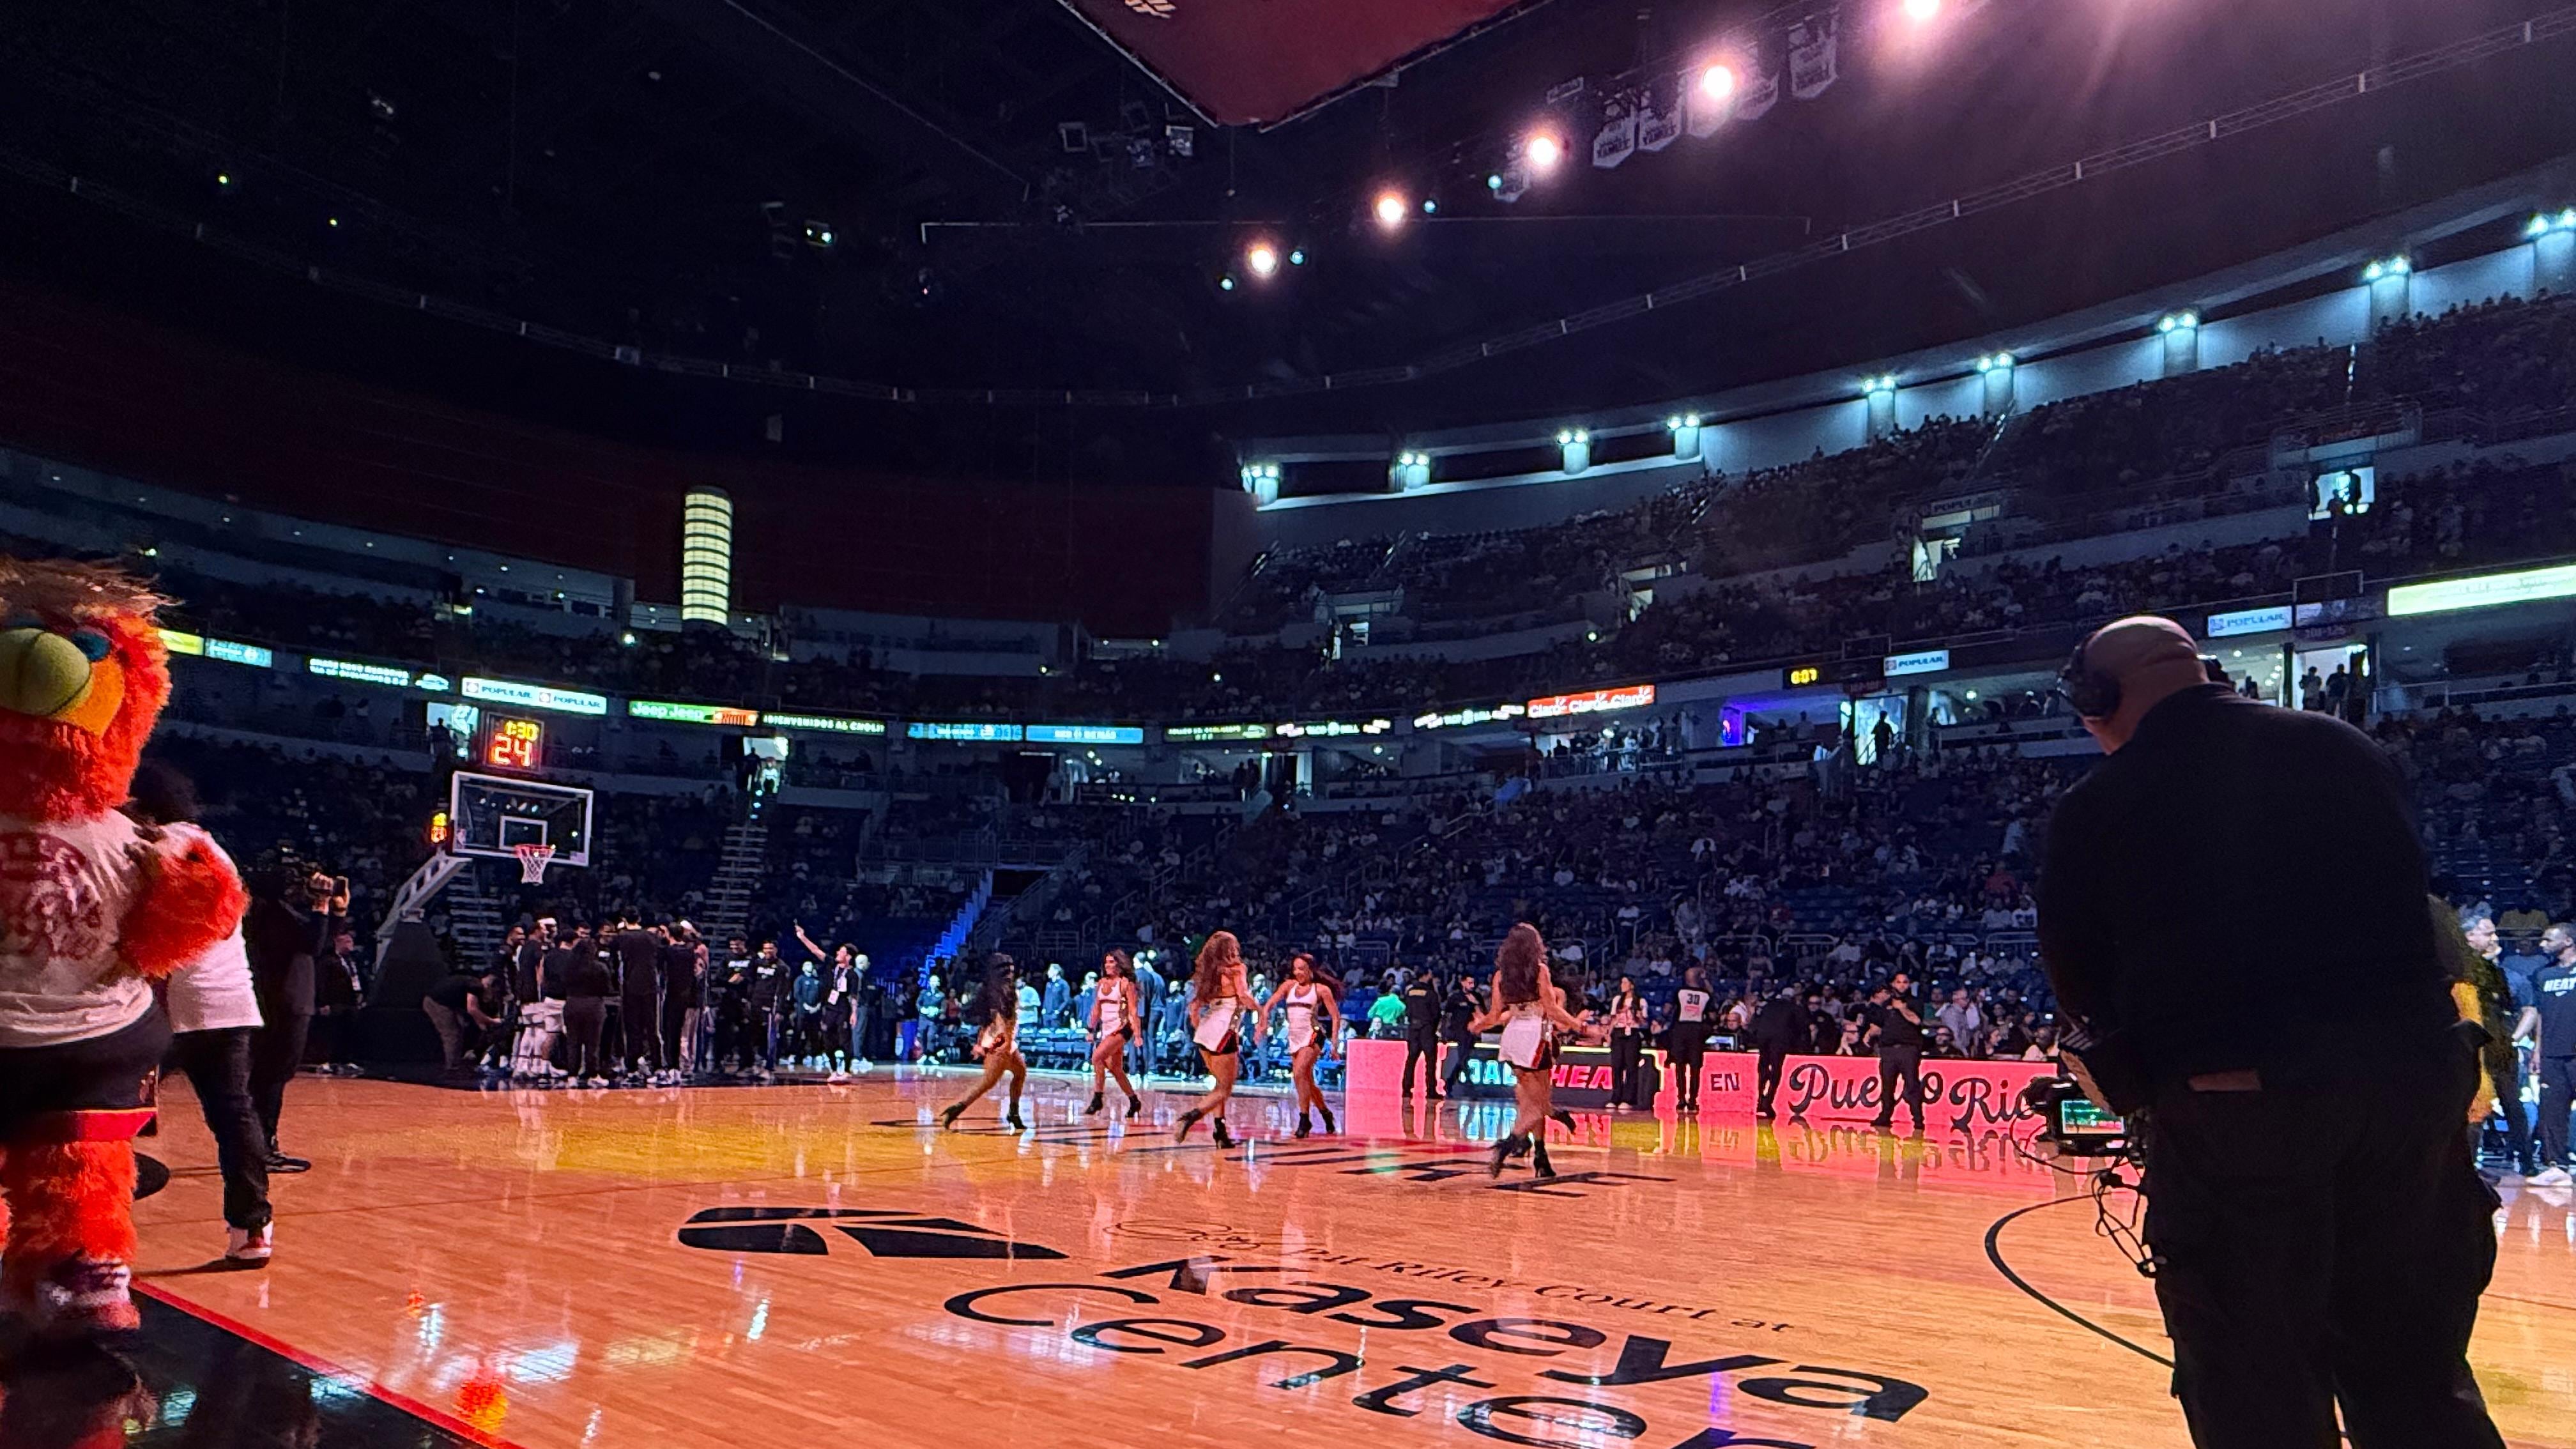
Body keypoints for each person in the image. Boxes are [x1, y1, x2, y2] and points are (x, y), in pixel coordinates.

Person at [2039, 615, 2505, 1449]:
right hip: (2413, 1097)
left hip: (2243, 1112)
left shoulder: (2099, 805)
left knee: (2256, 1392)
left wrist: (2147, 1091)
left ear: (2098, 697)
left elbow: (2082, 992)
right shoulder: (2353, 752)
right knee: (2418, 1380)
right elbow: (2424, 919)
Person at [125, 762, 273, 1264]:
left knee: (103, 1115)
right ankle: (252, 1231)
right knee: (235, 1118)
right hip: (231, 1002)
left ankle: (88, 1234)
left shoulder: (147, 848)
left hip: (168, 1007)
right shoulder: (216, 851)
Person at [1471, 924, 1593, 1179]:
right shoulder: (1540, 971)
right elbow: (1552, 1010)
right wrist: (1580, 1026)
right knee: (1537, 1104)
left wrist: (1477, 1025)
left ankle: (1541, 1156)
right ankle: (1509, 1143)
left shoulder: (1500, 976)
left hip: (1512, 1036)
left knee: (1529, 1101)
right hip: (1535, 1034)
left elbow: (1495, 1015)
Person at [243, 864, 341, 1173]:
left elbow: (321, 944)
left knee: (272, 1077)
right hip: (283, 1005)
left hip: (288, 1003)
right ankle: (263, 1148)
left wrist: (335, 913)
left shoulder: (277, 912)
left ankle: (260, 1146)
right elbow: (312, 943)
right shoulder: (270, 913)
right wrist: (320, 904)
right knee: (271, 1077)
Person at [2458, 912, 2538, 1179]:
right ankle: (2468, 1167)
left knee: (2512, 1104)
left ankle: (2526, 1160)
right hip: (2469, 1048)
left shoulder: (2500, 973)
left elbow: (2516, 1009)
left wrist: (2513, 1038)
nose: (2494, 938)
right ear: (2469, 937)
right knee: (2473, 1106)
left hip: (2500, 1046)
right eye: (2488, 933)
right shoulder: (2458, 970)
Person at [1176, 931, 1255, 1147]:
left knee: (1219, 1087)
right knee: (1224, 1089)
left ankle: (1220, 1132)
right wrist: (1262, 1011)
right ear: (1230, 949)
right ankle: (1190, 1117)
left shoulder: (1209, 973)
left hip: (1205, 1031)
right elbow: (1244, 996)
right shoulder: (1238, 970)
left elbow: (1194, 1007)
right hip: (1224, 1030)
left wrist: (1199, 1026)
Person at [939, 956, 1028, 1132]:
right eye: (1007, 970)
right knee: (987, 1083)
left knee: (1020, 1073)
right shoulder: (999, 995)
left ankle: (1014, 1113)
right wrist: (988, 1046)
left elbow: (990, 1024)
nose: (1011, 973)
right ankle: (957, 1108)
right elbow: (1001, 1029)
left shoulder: (1004, 991)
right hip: (1000, 1045)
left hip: (1006, 1043)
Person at [1259, 953, 1339, 1138]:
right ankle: (1326, 1114)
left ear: (1311, 970)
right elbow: (1270, 1003)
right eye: (1295, 968)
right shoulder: (1288, 986)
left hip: (1313, 1034)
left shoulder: (1321, 990)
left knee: (1299, 1073)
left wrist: (1334, 1043)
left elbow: (1335, 1016)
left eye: (1302, 969)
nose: (1297, 972)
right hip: (1294, 1037)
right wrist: (1263, 1019)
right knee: (1306, 1081)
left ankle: (1305, 1119)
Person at [2531, 923, 2576, 1186]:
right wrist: (2538, 1050)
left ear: (2568, 941)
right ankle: (2557, 1166)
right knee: (2552, 1112)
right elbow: (2540, 1016)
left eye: (2548, 940)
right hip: (2552, 1054)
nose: (2542, 945)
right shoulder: (2543, 976)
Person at [1085, 949, 1145, 1119]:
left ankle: (1098, 1098)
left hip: (1122, 1029)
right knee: (1116, 1069)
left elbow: (1133, 1012)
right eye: (1107, 962)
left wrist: (1138, 1035)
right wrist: (1091, 1029)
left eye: (1112, 962)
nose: (1108, 965)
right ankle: (1134, 1100)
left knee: (1097, 1058)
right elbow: (1096, 1009)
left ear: (1119, 964)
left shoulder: (1126, 984)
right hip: (1106, 1028)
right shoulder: (1101, 983)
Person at [1866, 972, 1927, 1131]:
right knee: (1887, 1086)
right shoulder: (1885, 1005)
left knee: (1912, 1086)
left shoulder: (1915, 1002)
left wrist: (1902, 1009)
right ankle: (1885, 1116)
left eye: (1905, 982)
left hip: (1908, 1049)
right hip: (1888, 1050)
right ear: (1893, 984)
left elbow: (1917, 1020)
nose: (1902, 985)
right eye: (1899, 982)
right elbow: (1877, 1026)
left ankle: (1918, 1119)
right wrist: (1868, 1034)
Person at [559, 927, 615, 1086]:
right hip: (593, 1005)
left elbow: (563, 985)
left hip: (572, 1003)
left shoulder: (568, 968)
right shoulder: (599, 967)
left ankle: (572, 1076)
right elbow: (607, 989)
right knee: (593, 1042)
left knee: (573, 1041)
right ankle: (593, 1074)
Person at [612, 916, 664, 1080]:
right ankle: (657, 1066)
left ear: (624, 920)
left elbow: (614, 962)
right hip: (650, 986)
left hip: (630, 986)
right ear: (640, 919)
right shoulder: (652, 937)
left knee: (632, 1029)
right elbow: (660, 960)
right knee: (652, 1029)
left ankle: (632, 1067)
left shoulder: (621, 938)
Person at [423, 969, 502, 1075]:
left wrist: (483, 1025)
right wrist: (493, 1021)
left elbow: (475, 1013)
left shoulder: (474, 984)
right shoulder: (476, 986)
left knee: (459, 1031)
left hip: (447, 1004)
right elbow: (472, 1009)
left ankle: (455, 1064)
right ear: (490, 987)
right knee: (452, 1034)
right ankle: (452, 1069)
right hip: (437, 1003)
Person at [1747, 985, 1805, 1120]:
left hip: (1763, 1038)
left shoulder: (1769, 1006)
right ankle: (1768, 1101)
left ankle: (1760, 1099)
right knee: (1776, 1069)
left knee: (1763, 1067)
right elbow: (1801, 1027)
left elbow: (1757, 1023)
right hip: (1779, 1040)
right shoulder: (1794, 1008)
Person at [1668, 965, 1713, 1110]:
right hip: (1697, 1030)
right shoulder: (1706, 995)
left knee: (1680, 1065)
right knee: (1695, 1067)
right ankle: (1693, 1100)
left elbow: (1667, 1010)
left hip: (1681, 1029)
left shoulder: (1680, 992)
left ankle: (1681, 1099)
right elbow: (1712, 1016)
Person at [1398, 968, 1443, 1099]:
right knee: (1430, 1061)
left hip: (1413, 1029)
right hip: (1427, 1029)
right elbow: (1436, 1013)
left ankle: (1406, 1089)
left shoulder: (1410, 992)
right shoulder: (1430, 993)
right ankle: (1431, 1091)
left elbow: (1407, 1011)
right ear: (1425, 976)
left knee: (1411, 1060)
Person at [1441, 972, 1481, 1098]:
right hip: (1458, 1031)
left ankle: (1450, 1083)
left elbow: (1481, 1014)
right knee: (1463, 1058)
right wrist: (1443, 1032)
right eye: (1469, 983)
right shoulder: (1455, 998)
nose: (1472, 985)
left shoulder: (1476, 997)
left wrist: (1475, 1003)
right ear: (1462, 982)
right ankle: (1469, 1086)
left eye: (1473, 983)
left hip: (1471, 1032)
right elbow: (1447, 1015)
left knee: (1464, 1059)